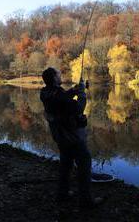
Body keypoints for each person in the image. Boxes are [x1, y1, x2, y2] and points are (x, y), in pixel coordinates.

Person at [40, 67, 102, 209]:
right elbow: (78, 107)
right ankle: (86, 201)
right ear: (55, 78)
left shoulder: (46, 93)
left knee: (65, 165)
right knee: (84, 165)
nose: (61, 75)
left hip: (60, 137)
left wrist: (74, 90)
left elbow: (62, 97)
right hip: (72, 137)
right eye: (59, 74)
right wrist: (82, 93)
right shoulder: (59, 96)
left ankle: (62, 194)